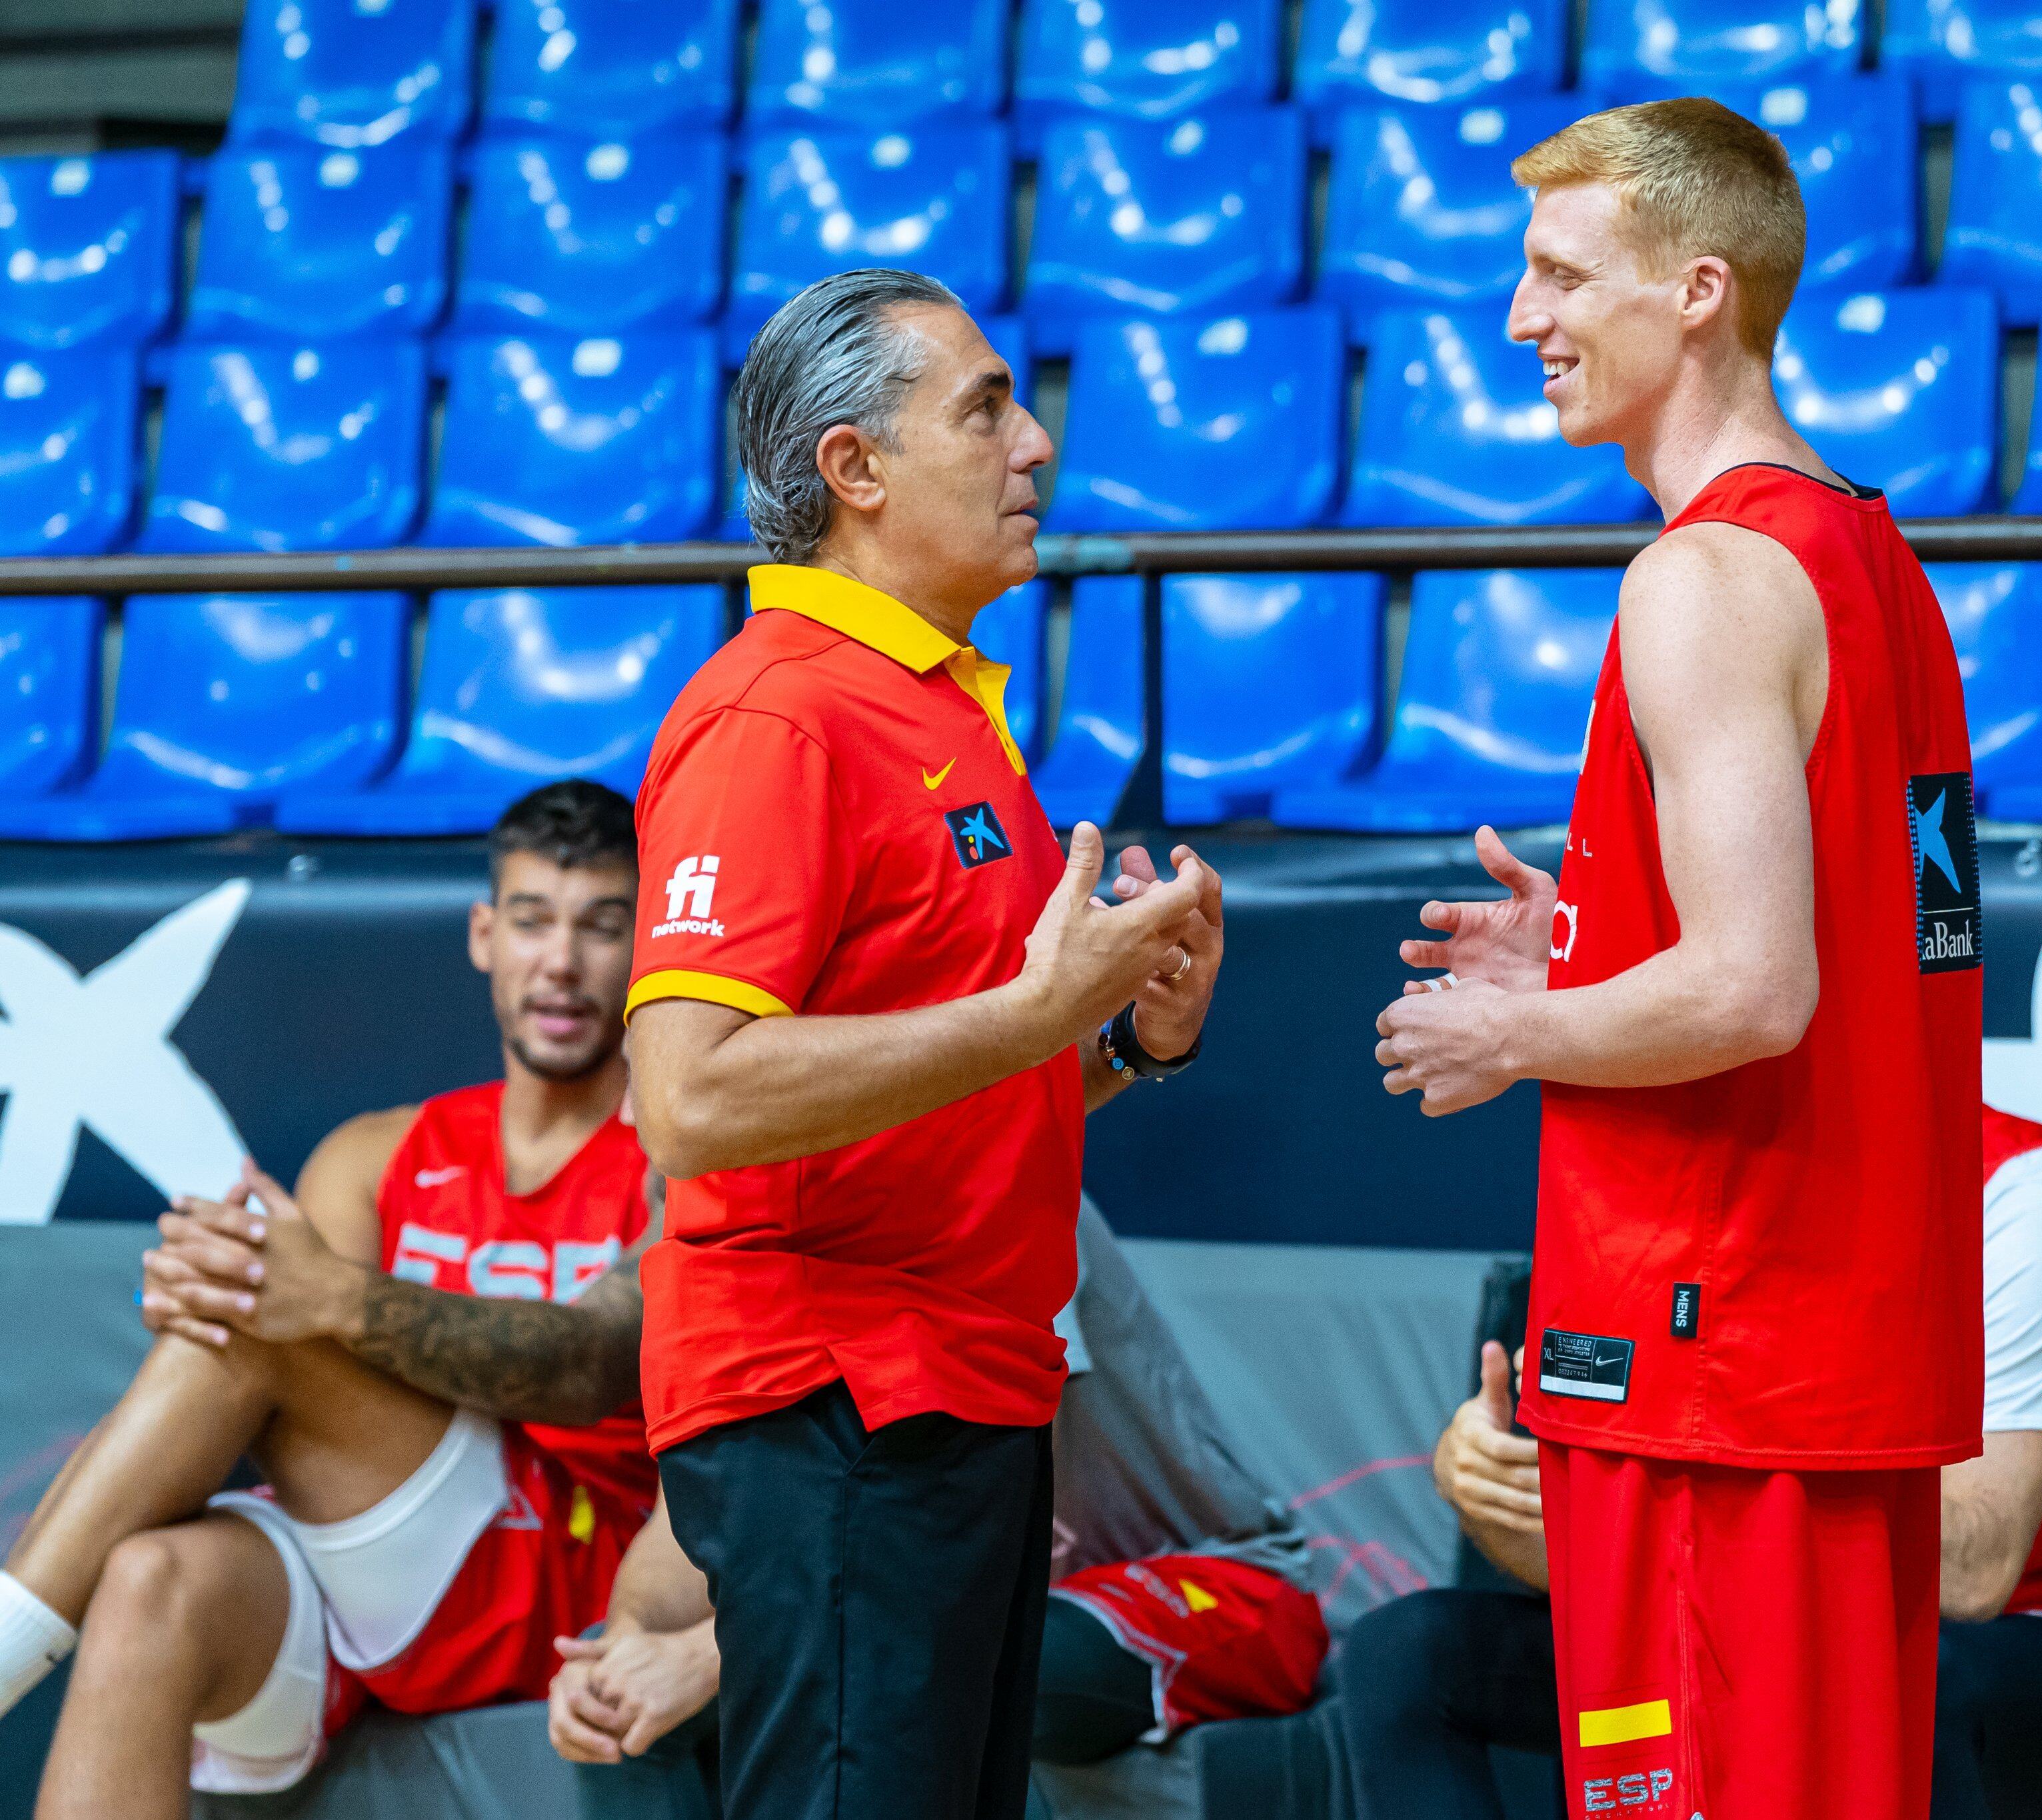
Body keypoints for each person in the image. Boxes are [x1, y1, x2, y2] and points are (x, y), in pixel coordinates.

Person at [1370, 99, 1983, 1816]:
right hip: (1831, 1360)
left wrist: (1520, 1035)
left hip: (1715, 1368)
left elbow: (1750, 989)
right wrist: (1575, 933)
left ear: (1698, 289)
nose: (1521, 318)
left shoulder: (1699, 578)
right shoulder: (1861, 548)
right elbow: (1859, 924)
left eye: (1561, 274)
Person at [624, 267, 1222, 1820]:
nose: (1035, 446)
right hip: (834, 1400)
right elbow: (688, 1099)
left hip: (960, 1396)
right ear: (855, 471)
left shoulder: (943, 714)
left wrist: (1124, 1048)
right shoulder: (778, 718)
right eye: (986, 407)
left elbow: (943, 1076)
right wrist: (1037, 1011)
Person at [1341, 1107, 2042, 1820]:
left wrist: (1664, 1510)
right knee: (1410, 1651)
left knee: (1896, 1683)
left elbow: (1976, 1566)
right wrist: (1498, 1491)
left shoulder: (2029, 1196)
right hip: (1760, 1608)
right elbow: (1618, 1567)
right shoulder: (1648, 1211)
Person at [0, 781, 664, 1818]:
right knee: (149, 1579)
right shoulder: (378, 1152)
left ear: (652, 942)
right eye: (533, 919)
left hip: (572, 1573)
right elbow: (291, 1390)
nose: (562, 962)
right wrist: (196, 1291)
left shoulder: (673, 1155)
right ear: (485, 934)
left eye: (604, 924)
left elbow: (593, 1367)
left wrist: (322, 1300)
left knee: (269, 1306)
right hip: (365, 1575)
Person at [547, 1200, 1328, 1815]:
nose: (629, 1119)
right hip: (926, 1594)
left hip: (1212, 1584)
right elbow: (684, 1525)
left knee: (952, 1661)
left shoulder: (984, 1189)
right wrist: (626, 1646)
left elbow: (970, 1535)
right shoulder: (713, 1254)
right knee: (624, 1704)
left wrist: (711, 1654)